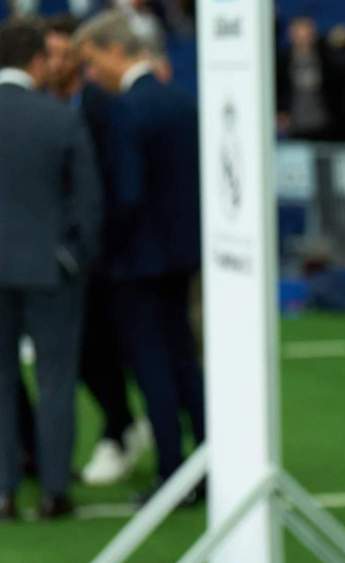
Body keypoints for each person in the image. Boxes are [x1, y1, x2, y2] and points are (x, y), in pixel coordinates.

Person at [74, 9, 204, 501]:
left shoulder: (126, 110)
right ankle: (206, 465)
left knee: (153, 367)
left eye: (93, 62)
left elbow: (126, 195)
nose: (92, 75)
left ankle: (172, 472)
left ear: (115, 51)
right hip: (182, 255)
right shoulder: (182, 100)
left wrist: (105, 249)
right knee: (185, 361)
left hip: (138, 262)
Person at [0, 18, 103, 520]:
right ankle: (53, 491)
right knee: (56, 380)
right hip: (51, 271)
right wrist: (74, 256)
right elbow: (89, 201)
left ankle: (3, 492)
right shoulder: (60, 117)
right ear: (38, 61)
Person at [45, 13, 152, 486]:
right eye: (50, 54)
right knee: (83, 354)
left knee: (116, 348)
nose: (58, 62)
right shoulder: (38, 104)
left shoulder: (103, 105)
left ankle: (124, 431)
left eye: (65, 53)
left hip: (107, 252)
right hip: (53, 253)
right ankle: (121, 426)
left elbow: (117, 183)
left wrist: (102, 243)